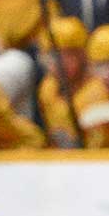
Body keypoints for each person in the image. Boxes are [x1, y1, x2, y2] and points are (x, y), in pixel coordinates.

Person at [36, 15, 92, 147]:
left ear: (83, 54)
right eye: (52, 55)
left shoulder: (99, 90)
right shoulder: (47, 88)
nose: (59, 62)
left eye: (69, 54)